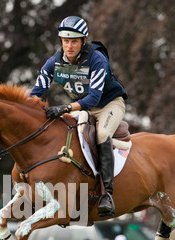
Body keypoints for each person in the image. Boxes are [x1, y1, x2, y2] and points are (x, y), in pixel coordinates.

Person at [30, 16, 127, 217]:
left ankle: (106, 194)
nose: (69, 46)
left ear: (83, 41)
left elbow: (93, 98)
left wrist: (64, 107)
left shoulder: (97, 58)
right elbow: (36, 92)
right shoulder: (54, 62)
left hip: (108, 104)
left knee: (101, 134)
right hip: (82, 107)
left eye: (74, 41)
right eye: (65, 41)